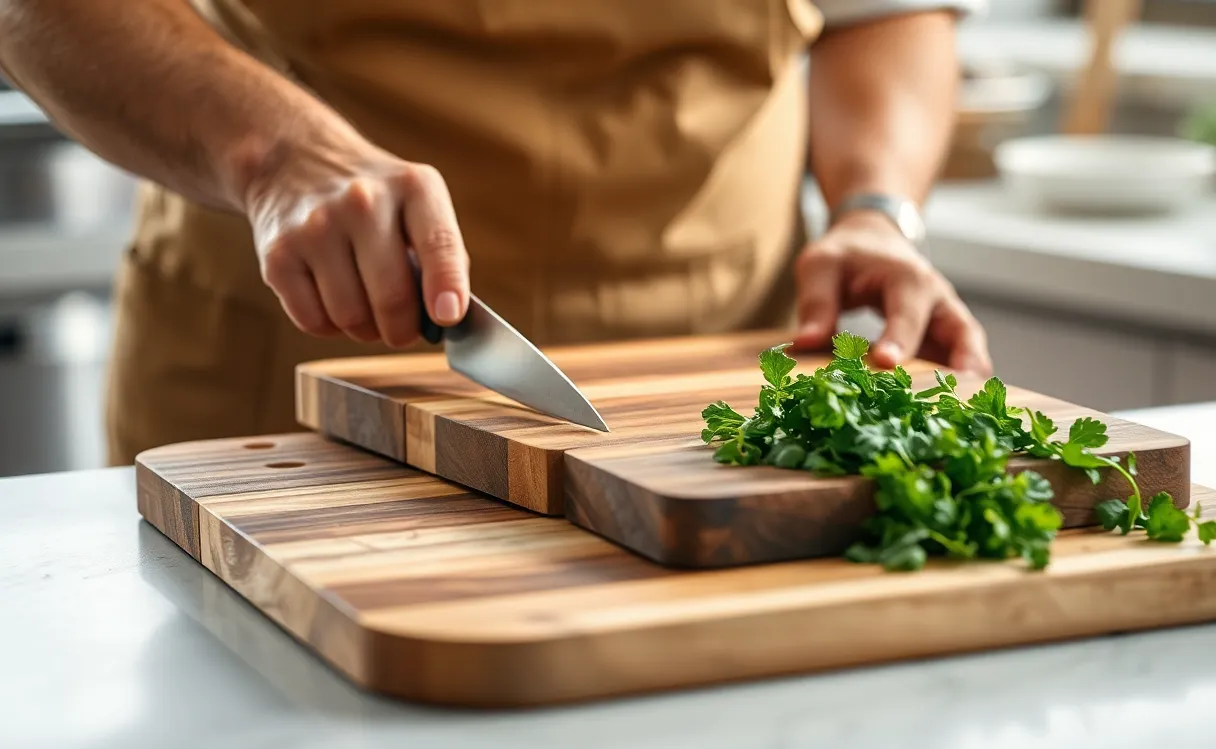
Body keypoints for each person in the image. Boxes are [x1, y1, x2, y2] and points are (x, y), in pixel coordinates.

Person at [0, 0, 992, 466]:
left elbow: (886, 10)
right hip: (290, 346)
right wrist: (270, 155)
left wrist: (875, 208)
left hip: (719, 353)